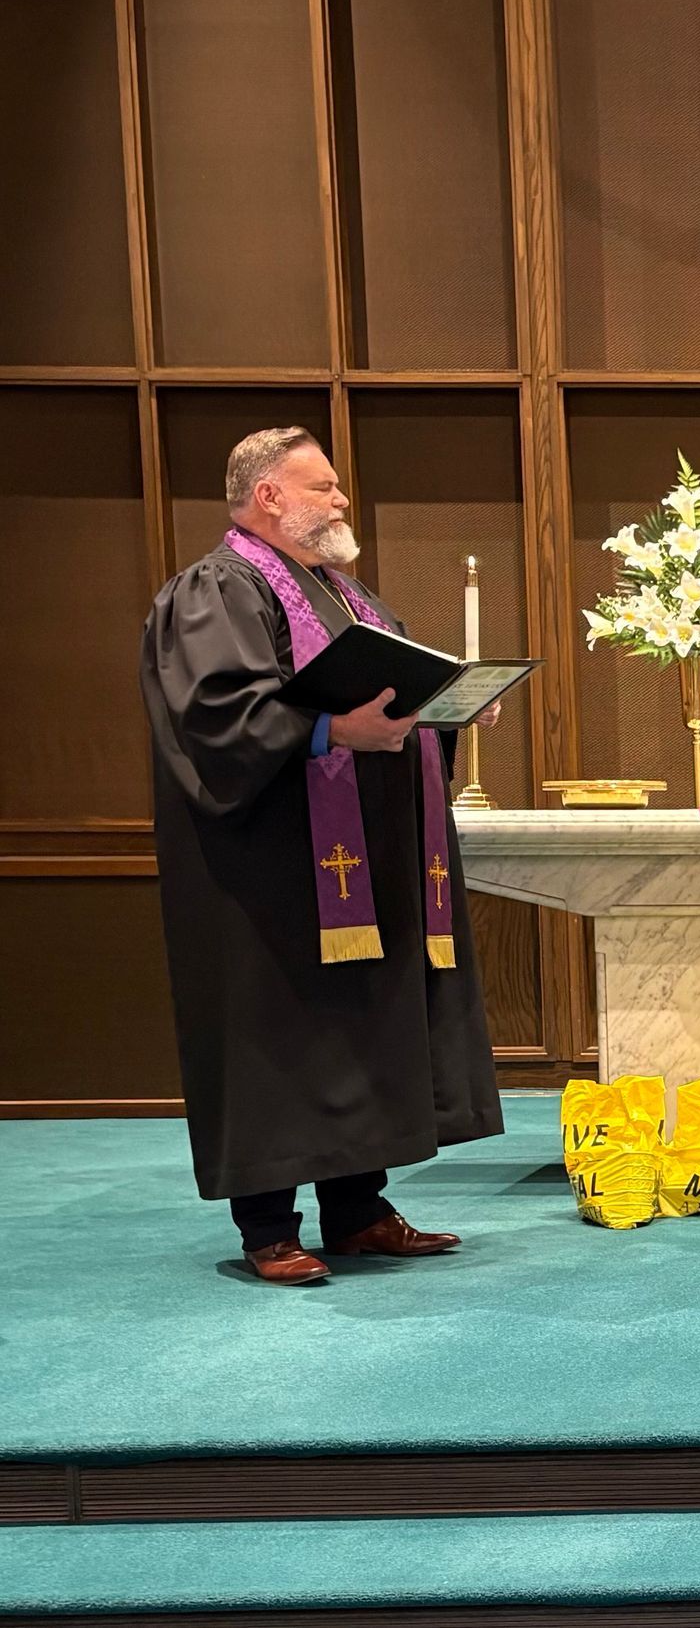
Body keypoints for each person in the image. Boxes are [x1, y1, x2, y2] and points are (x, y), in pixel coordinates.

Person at [140, 427, 503, 1286]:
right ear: (269, 496)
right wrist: (334, 729)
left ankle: (357, 1210)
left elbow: (379, 696)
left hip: (355, 865)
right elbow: (215, 716)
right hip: (265, 872)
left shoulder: (345, 596)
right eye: (326, 486)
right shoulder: (217, 590)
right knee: (275, 1032)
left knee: (354, 1026)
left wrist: (443, 706)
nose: (343, 500)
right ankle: (267, 1224)